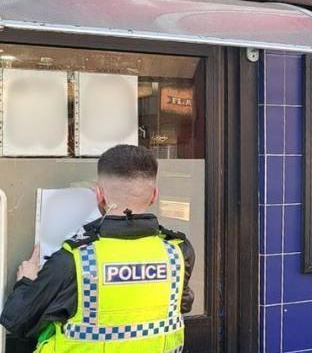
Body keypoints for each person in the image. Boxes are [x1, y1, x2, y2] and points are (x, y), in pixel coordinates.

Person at [1, 145, 194, 352]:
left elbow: (18, 319)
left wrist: (27, 280)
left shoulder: (75, 261)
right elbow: (182, 305)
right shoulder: (178, 252)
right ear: (154, 195)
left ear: (100, 196)